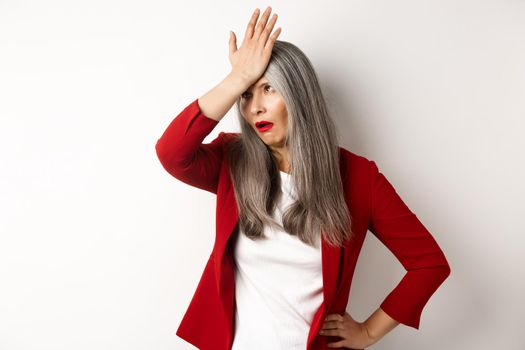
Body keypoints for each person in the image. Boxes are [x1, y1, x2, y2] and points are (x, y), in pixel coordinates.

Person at [155, 6, 451, 350]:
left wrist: (369, 332)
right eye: (247, 95)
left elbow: (429, 264)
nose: (255, 108)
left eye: (268, 89)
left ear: (298, 95)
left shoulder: (358, 178)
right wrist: (237, 78)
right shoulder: (232, 161)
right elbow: (172, 153)